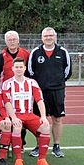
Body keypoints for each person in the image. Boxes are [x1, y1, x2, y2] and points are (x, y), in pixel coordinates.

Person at [28, 27, 71, 158]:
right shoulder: (35, 52)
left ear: (55, 37)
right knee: (41, 119)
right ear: (42, 38)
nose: (48, 38)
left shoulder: (63, 52)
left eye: (51, 35)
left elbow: (67, 72)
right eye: (46, 36)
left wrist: (57, 82)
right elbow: (30, 71)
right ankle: (39, 145)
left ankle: (56, 146)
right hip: (40, 92)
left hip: (57, 91)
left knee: (57, 118)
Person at [2, 57, 51, 165]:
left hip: (29, 114)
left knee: (45, 127)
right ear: (12, 68)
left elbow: (39, 100)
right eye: (16, 67)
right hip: (15, 114)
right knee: (17, 128)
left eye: (21, 67)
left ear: (24, 68)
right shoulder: (7, 83)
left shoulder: (32, 82)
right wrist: (13, 117)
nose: (19, 69)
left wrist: (43, 117)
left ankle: (41, 159)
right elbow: (7, 102)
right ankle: (18, 160)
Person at [0, 30, 30, 149]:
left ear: (18, 40)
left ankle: (21, 142)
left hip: (22, 92)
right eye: (9, 40)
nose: (12, 42)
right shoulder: (0, 57)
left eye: (14, 39)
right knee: (6, 118)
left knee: (22, 117)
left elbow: (29, 72)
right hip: (6, 93)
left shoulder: (26, 54)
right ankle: (5, 143)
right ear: (6, 42)